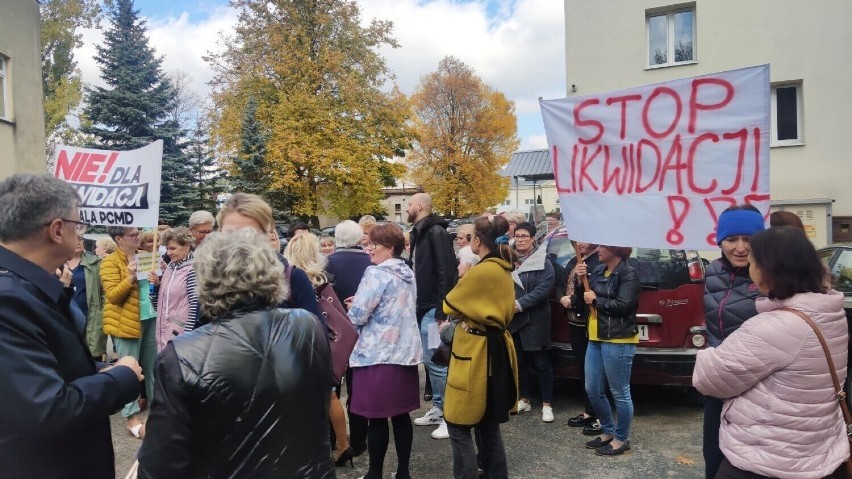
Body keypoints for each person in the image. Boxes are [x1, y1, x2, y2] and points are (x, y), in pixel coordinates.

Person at [137, 229, 335, 478]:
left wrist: (152, 435)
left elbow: (161, 463)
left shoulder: (182, 354)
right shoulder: (308, 325)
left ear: (206, 281)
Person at [0, 174, 142, 479]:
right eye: (78, 226)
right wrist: (121, 378)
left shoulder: (27, 287)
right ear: (57, 230)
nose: (81, 234)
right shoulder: (7, 300)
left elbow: (45, 366)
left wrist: (96, 370)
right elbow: (46, 410)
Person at [693, 226, 849, 478]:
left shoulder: (773, 326)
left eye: (753, 261)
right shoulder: (830, 313)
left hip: (768, 459)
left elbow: (709, 379)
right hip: (817, 450)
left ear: (767, 271)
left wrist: (707, 354)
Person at [443, 215, 519, 479]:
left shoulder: (483, 271)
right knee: (488, 424)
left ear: (477, 240)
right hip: (493, 349)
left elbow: (449, 304)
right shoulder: (502, 266)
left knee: (458, 422)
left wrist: (463, 276)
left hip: (477, 352)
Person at [347, 223, 423, 479]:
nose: (368, 250)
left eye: (373, 245)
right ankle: (403, 473)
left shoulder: (376, 274)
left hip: (377, 354)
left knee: (376, 418)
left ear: (389, 248)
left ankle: (374, 474)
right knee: (401, 416)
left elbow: (357, 315)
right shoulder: (407, 273)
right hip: (405, 353)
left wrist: (353, 305)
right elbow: (395, 307)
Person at [702, 204, 765, 478]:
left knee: (744, 465)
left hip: (756, 390)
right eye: (731, 239)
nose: (740, 247)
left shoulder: (771, 278)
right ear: (720, 241)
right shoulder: (713, 271)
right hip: (718, 385)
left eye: (749, 239)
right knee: (712, 455)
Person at [284, 233, 352, 467]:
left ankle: (314, 447)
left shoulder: (290, 280)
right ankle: (342, 445)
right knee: (331, 395)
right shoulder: (324, 279)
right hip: (326, 344)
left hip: (298, 346)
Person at [215, 193, 322, 321]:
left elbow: (316, 336)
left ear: (267, 235)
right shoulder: (212, 281)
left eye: (250, 233)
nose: (240, 242)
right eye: (230, 233)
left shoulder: (291, 278)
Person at [578, 245, 640, 456]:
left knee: (619, 392)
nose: (598, 250)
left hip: (618, 339)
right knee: (592, 389)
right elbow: (583, 299)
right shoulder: (597, 271)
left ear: (616, 249)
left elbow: (625, 305)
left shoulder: (628, 273)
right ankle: (608, 431)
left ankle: (621, 438)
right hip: (595, 337)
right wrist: (581, 281)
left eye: (603, 246)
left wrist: (596, 299)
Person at [407, 192, 458, 440]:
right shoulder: (419, 231)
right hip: (422, 307)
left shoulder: (435, 232)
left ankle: (451, 416)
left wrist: (441, 310)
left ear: (419, 206)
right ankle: (439, 409)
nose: (406, 208)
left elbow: (446, 271)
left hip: (432, 310)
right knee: (430, 361)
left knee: (436, 362)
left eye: (408, 204)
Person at [326, 219, 374, 456]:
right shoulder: (371, 263)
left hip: (333, 334)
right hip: (362, 333)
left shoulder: (327, 263)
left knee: (332, 388)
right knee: (357, 387)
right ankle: (360, 439)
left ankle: (334, 438)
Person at [102, 225, 147, 438]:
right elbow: (112, 296)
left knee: (154, 366)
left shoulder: (147, 255)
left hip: (149, 319)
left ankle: (158, 408)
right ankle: (131, 416)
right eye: (133, 234)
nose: (139, 236)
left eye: (138, 232)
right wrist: (130, 277)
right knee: (130, 369)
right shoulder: (109, 262)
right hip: (125, 323)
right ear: (119, 239)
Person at [509, 222, 556, 422]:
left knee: (541, 362)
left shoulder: (543, 261)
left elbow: (543, 290)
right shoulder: (507, 259)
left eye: (524, 236)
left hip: (535, 319)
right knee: (519, 362)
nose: (520, 240)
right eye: (517, 236)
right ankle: (524, 398)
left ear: (532, 238)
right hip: (513, 320)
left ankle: (547, 404)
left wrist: (519, 304)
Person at [560, 242, 603, 433]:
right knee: (583, 368)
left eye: (583, 239)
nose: (579, 243)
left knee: (596, 370)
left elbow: (590, 292)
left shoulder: (597, 261)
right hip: (573, 322)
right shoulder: (575, 260)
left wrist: (575, 296)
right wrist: (562, 297)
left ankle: (601, 415)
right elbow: (561, 283)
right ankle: (589, 410)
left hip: (589, 321)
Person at [148, 226, 198, 347]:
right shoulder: (170, 267)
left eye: (173, 248)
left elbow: (195, 306)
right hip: (163, 334)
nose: (168, 252)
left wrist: (187, 336)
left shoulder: (192, 270)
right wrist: (155, 287)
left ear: (186, 245)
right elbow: (158, 306)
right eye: (167, 248)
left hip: (180, 338)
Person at [67, 233, 108, 361]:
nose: (78, 241)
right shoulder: (56, 263)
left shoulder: (95, 263)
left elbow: (104, 291)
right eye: (74, 238)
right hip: (65, 317)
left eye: (80, 239)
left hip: (90, 319)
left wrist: (102, 313)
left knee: (91, 359)